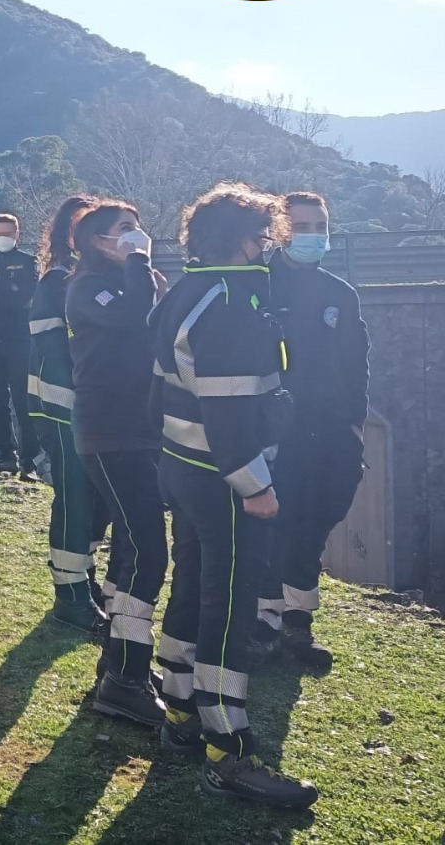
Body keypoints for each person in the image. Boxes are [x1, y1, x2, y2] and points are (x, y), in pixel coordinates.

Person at [150, 183, 317, 808]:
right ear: (240, 241)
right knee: (228, 606)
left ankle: (180, 714)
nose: (269, 245)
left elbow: (159, 392)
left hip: (184, 468)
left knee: (191, 589)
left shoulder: (190, 288)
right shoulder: (230, 301)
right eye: (263, 236)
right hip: (225, 480)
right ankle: (230, 752)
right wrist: (254, 486)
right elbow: (227, 411)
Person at [66, 199, 166, 726]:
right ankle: (124, 679)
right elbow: (132, 316)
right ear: (98, 243)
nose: (136, 237)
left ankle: (120, 664)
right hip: (109, 433)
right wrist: (138, 265)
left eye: (137, 228)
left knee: (133, 547)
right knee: (149, 551)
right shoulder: (87, 287)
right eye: (124, 231)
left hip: (142, 432)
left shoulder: (137, 278)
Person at [259, 191, 369, 670]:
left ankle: (297, 627)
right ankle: (262, 625)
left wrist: (355, 425)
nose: (312, 235)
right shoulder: (258, 285)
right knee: (276, 527)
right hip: (277, 432)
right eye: (301, 225)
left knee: (316, 527)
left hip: (331, 435)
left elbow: (357, 364)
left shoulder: (340, 293)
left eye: (319, 225)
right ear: (280, 230)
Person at [27, 195, 109, 632]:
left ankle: (86, 576)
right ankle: (70, 594)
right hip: (64, 406)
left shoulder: (96, 281)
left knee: (96, 499)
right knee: (75, 495)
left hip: (95, 407)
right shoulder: (57, 281)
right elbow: (51, 347)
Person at [0, 212, 41, 476]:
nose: (3, 238)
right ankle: (6, 456)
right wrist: (10, 295)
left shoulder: (29, 262)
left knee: (24, 403)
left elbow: (29, 295)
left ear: (17, 235)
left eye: (8, 233)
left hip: (20, 342)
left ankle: (29, 462)